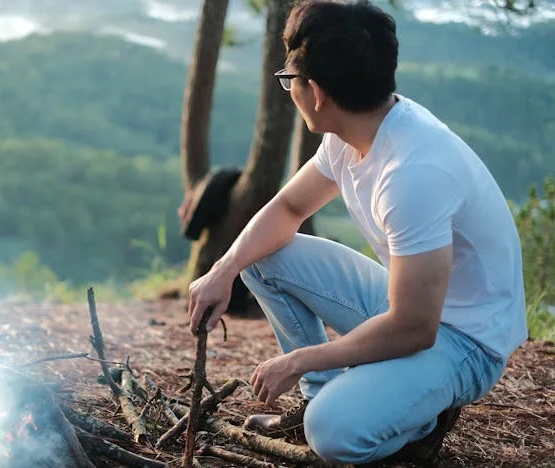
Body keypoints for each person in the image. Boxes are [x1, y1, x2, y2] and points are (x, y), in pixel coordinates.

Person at [186, 0, 528, 464]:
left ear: (318, 93)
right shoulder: (357, 132)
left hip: (465, 341)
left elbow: (414, 328)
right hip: (409, 305)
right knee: (261, 255)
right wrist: (222, 270)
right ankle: (324, 396)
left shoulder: (413, 174)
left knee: (334, 432)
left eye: (290, 82)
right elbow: (288, 207)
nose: (289, 91)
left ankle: (415, 419)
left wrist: (300, 359)